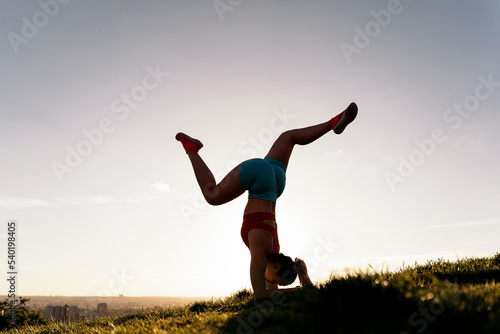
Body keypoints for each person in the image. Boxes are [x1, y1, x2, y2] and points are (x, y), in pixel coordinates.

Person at [175, 102, 358, 299]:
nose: (274, 285)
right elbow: (262, 296)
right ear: (277, 266)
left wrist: (302, 283)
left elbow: (272, 289)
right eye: (278, 281)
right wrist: (298, 289)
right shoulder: (260, 253)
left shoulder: (274, 248)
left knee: (289, 137)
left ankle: (332, 123)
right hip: (258, 176)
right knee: (212, 195)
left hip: (275, 182)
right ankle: (191, 149)